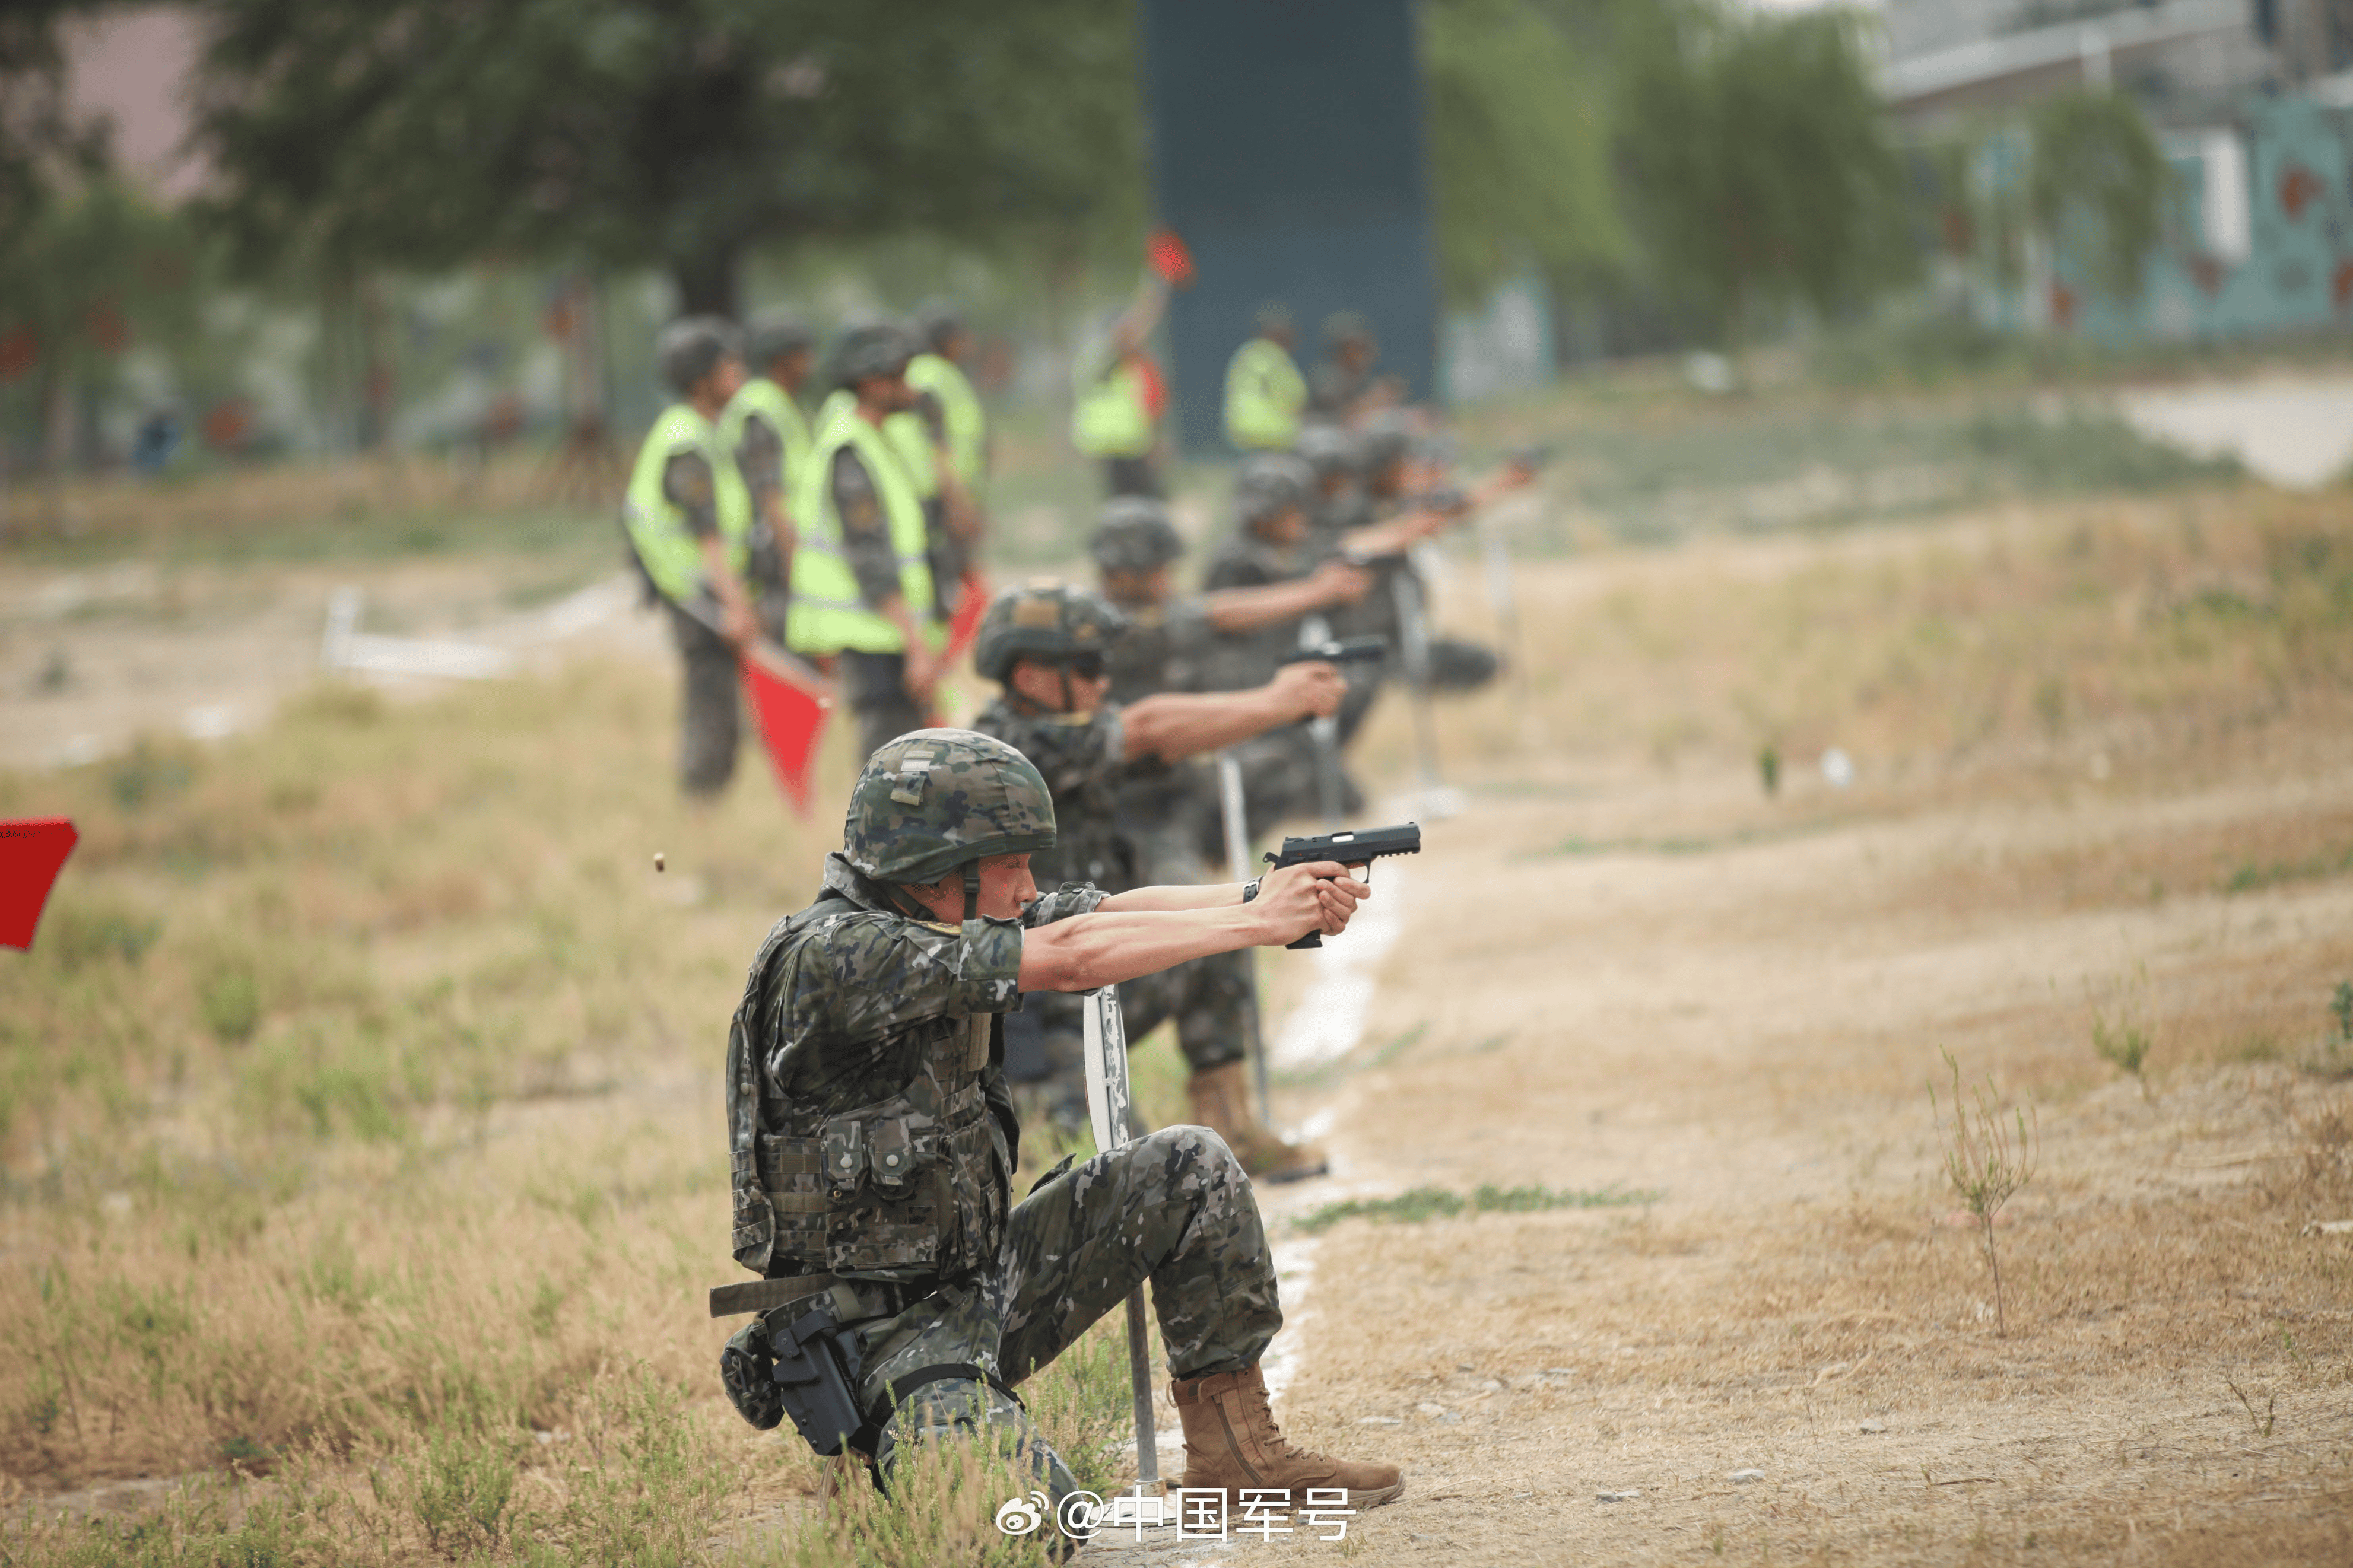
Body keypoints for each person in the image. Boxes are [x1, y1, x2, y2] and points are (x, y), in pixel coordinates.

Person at [717, 729, 1406, 1524]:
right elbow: (1074, 955)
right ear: (938, 868)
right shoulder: (839, 954)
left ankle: (1237, 1455)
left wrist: (1259, 898)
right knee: (1027, 1526)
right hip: (883, 1335)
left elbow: (1101, 913)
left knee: (1185, 1165)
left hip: (979, 1282)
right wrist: (1258, 923)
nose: (1027, 885)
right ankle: (891, 1448)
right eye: (1011, 864)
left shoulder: (941, 913)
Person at [970, 583, 1347, 1181]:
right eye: (1088, 668)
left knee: (1217, 943)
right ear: (1032, 676)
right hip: (1033, 1010)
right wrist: (1277, 702)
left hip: (1093, 971)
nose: (1102, 684)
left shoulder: (1070, 735)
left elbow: (1167, 735)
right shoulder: (1006, 748)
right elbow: (1147, 728)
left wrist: (1253, 901)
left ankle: (1233, 1127)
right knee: (1103, 1174)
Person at [786, 321, 944, 762]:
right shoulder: (852, 453)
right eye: (900, 376)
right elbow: (871, 560)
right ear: (871, 382)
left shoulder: (875, 441)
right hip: (873, 638)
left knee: (906, 770)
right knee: (888, 771)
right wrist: (917, 646)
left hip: (887, 633)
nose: (911, 388)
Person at [623, 316, 761, 799]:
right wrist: (736, 607)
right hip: (700, 599)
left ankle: (709, 799)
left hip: (708, 594)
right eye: (729, 365)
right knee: (711, 705)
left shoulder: (702, 431)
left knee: (721, 704)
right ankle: (701, 803)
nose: (739, 372)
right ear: (702, 379)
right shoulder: (686, 442)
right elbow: (709, 537)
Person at [885, 302, 989, 624]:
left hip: (942, 489)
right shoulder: (928, 378)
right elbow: (936, 445)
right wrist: (959, 503)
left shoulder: (937, 375)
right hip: (936, 491)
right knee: (947, 578)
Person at [717, 311, 817, 634]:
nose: (811, 362)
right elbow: (769, 494)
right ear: (783, 360)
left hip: (786, 545)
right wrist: (795, 564)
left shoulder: (778, 404)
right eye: (803, 353)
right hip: (772, 554)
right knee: (786, 643)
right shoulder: (760, 411)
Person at [1071, 269, 1171, 498]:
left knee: (1135, 502)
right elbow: (1124, 339)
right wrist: (1152, 296)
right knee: (1134, 504)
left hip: (1129, 443)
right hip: (1117, 443)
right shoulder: (1101, 357)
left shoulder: (1124, 362)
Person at [1223, 304, 1307, 452]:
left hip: (1239, 432)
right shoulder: (1273, 355)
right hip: (1273, 433)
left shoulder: (1245, 354)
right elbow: (1295, 399)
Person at [1308, 312, 1403, 425]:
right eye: (1357, 347)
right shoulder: (1326, 377)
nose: (1363, 353)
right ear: (1340, 350)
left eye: (1366, 346)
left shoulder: (1367, 378)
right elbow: (1331, 414)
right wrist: (1372, 400)